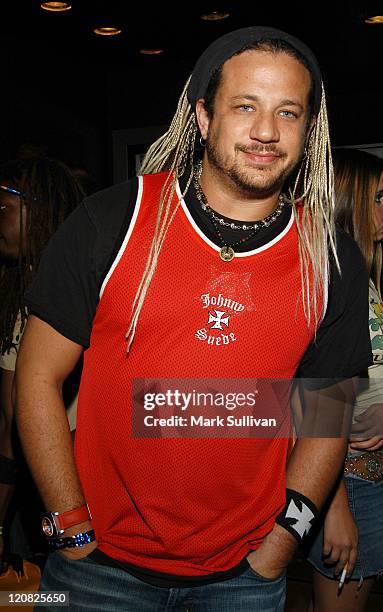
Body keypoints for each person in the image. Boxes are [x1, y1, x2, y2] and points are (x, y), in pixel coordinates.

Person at [14, 27, 372, 611]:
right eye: (245, 106)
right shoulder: (113, 220)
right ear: (204, 117)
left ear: (309, 129)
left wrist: (279, 549)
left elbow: (324, 416)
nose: (265, 132)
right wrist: (70, 531)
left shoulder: (328, 257)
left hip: (246, 576)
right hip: (98, 568)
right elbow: (35, 378)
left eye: (288, 112)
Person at [306, 148, 383, 612]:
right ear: (349, 202)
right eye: (377, 197)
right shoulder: (326, 278)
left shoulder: (364, 277)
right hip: (347, 481)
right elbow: (311, 397)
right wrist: (333, 507)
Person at [0, 157, 84, 561]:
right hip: (60, 506)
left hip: (70, 506)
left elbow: (12, 425)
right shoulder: (23, 289)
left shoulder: (53, 296)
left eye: (4, 207)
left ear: (40, 210)